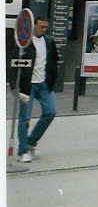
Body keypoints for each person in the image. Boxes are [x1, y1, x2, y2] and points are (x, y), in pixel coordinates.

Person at [11, 17, 59, 162]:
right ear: (33, 25)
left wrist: (52, 79)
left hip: (44, 84)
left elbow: (54, 61)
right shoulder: (23, 43)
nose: (43, 30)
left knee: (50, 112)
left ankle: (31, 141)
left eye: (46, 27)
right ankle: (23, 151)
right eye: (41, 27)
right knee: (24, 118)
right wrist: (14, 86)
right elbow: (13, 64)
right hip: (27, 85)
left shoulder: (49, 41)